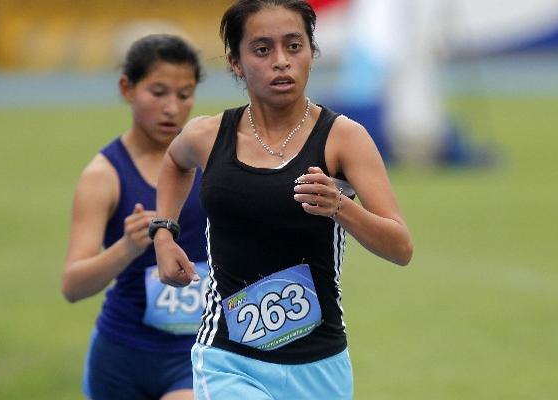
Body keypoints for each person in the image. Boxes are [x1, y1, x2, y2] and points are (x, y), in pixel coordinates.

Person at [153, 1, 413, 399]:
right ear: (235, 62)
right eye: (262, 49)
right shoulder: (207, 136)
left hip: (320, 364)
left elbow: (400, 247)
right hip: (228, 358)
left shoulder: (344, 138)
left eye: (294, 46)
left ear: (312, 53)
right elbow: (174, 162)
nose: (281, 62)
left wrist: (341, 207)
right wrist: (164, 233)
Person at [61, 34, 207, 400]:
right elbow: (73, 286)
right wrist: (126, 247)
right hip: (121, 356)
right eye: (158, 92)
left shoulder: (211, 162)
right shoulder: (104, 176)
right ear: (127, 88)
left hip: (197, 353)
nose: (172, 108)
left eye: (184, 94)